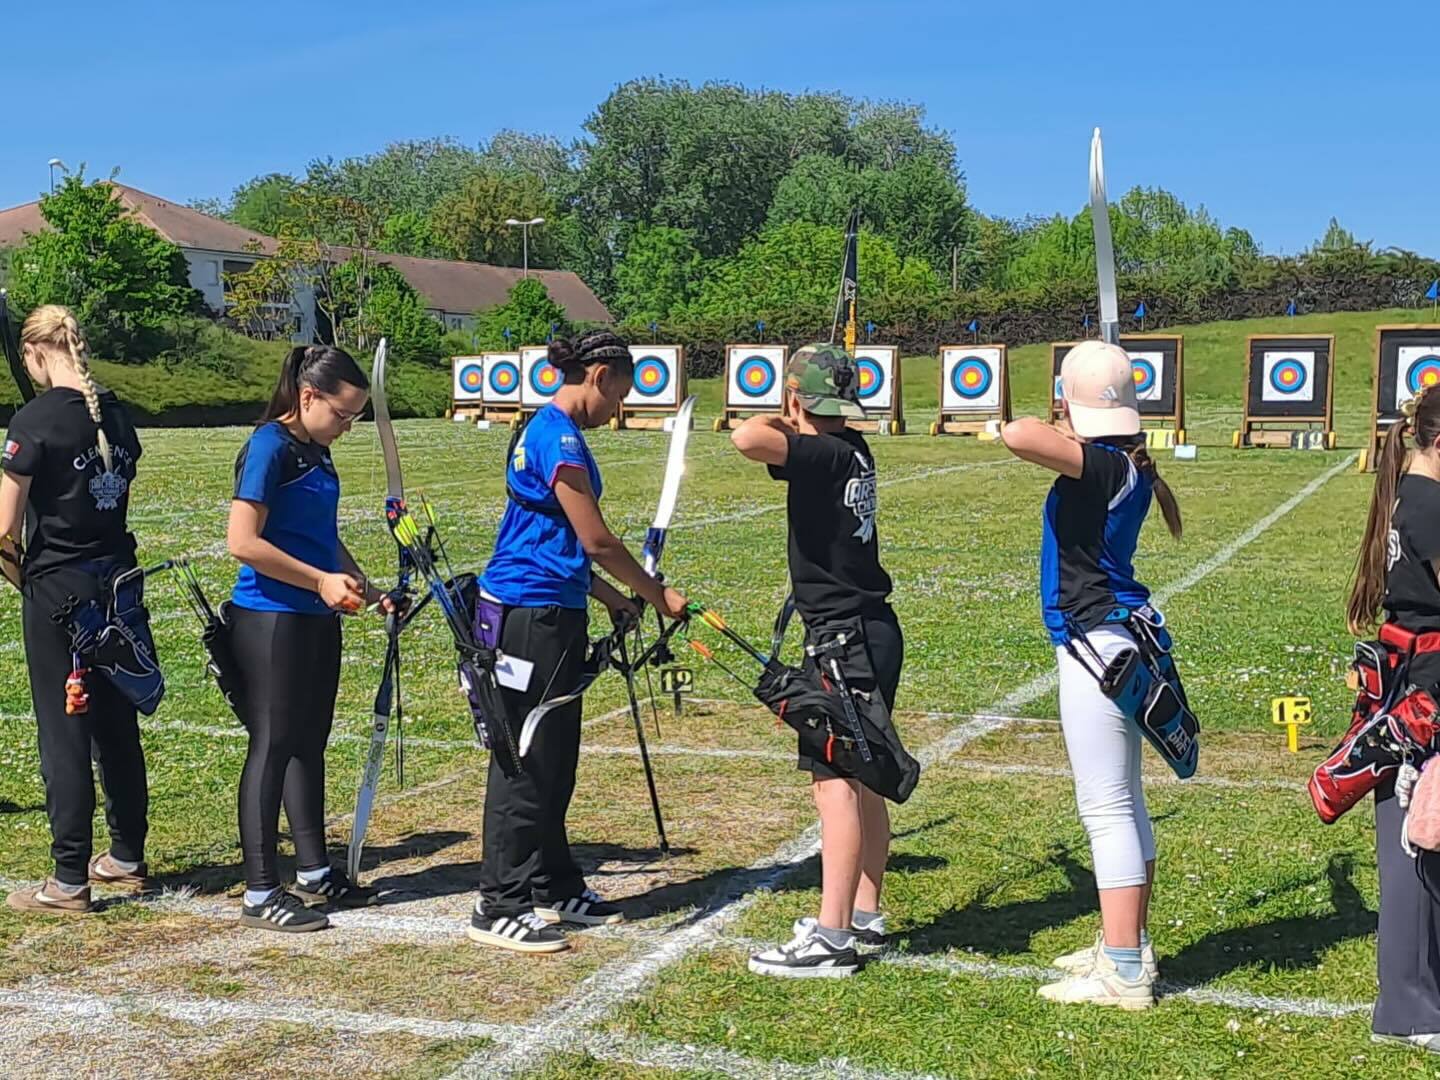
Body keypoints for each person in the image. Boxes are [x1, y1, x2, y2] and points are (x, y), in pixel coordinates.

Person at [469, 329, 688, 955]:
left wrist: (613, 598)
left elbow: (559, 544)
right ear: (597, 376)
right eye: (618, 396)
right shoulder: (558, 438)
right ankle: (499, 901)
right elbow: (595, 539)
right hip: (527, 613)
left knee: (555, 757)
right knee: (524, 758)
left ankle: (553, 883)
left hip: (554, 606)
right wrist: (655, 594)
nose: (616, 409)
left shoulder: (551, 432)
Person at [999, 339, 1183, 1009]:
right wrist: (1081, 415)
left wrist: (1066, 419)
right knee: (1124, 802)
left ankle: (1125, 969)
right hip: (1116, 640)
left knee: (1106, 809)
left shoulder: (1102, 466)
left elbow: (1016, 433)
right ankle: (1124, 942)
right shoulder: (1124, 463)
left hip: (1095, 646)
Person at [730, 343, 903, 978]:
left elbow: (746, 438)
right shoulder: (849, 448)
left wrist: (784, 412)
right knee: (865, 773)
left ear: (798, 398)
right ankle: (863, 911)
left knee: (834, 783)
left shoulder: (824, 451)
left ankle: (832, 937)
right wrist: (797, 411)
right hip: (868, 631)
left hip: (842, 640)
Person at [227, 344, 398, 933]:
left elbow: (320, 536)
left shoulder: (317, 452)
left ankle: (315, 871)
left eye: (355, 417)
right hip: (270, 617)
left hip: (314, 616)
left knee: (309, 744)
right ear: (307, 396)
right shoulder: (269, 447)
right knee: (273, 745)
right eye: (342, 414)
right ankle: (259, 892)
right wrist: (320, 581)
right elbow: (243, 541)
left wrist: (366, 587)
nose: (347, 427)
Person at [1, 305, 153, 913]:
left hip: (59, 591)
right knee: (116, 723)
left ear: (37, 354)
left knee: (64, 730)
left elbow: (4, 528)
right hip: (117, 585)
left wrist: (22, 578)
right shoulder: (112, 413)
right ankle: (126, 854)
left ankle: (69, 876)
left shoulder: (34, 420)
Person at [1345, 384, 1440, 1053]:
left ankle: (1417, 995)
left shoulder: (1409, 493)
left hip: (1408, 681)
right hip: (1423, 692)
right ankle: (1408, 1009)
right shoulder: (1430, 505)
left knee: (1418, 839)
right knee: (1415, 842)